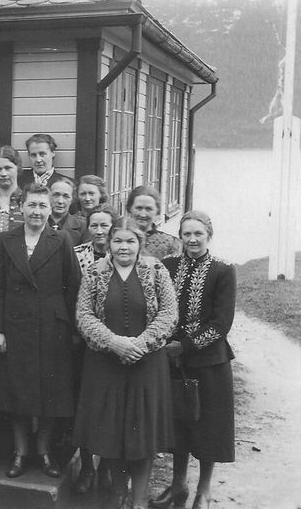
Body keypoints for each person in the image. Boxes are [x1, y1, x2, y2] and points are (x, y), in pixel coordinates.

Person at [74, 217, 177, 509]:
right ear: (109, 242)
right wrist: (114, 342)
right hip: (106, 365)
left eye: (130, 241)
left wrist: (140, 344)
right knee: (111, 432)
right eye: (118, 240)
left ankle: (140, 500)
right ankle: (119, 495)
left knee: (141, 434)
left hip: (147, 365)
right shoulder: (95, 272)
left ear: (140, 243)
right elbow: (84, 315)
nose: (124, 246)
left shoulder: (156, 270)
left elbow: (169, 314)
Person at [0, 183, 82, 479]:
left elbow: (74, 287)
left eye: (43, 206)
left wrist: (74, 332)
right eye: (32, 205)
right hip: (16, 329)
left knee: (50, 395)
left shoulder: (62, 239)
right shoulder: (5, 240)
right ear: (21, 207)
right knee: (17, 392)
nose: (38, 212)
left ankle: (43, 452)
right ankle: (20, 452)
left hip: (52, 329)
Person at [152, 211, 236, 509]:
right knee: (178, 426)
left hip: (210, 361)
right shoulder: (168, 265)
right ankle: (177, 486)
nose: (192, 239)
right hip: (173, 361)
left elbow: (221, 323)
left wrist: (184, 345)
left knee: (209, 426)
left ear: (208, 234)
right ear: (180, 236)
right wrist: (166, 344)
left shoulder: (223, 271)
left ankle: (203, 490)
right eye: (186, 234)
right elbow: (159, 308)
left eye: (198, 233)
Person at [71, 203, 118, 495]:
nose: (100, 231)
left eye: (105, 226)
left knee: (112, 407)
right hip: (82, 341)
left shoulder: (124, 252)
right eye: (95, 225)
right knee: (86, 405)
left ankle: (108, 469)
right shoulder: (77, 255)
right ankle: (87, 466)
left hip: (115, 342)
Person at [127, 185, 182, 260]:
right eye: (139, 208)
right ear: (130, 209)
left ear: (157, 211)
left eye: (148, 209)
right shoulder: (118, 239)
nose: (143, 214)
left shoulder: (170, 244)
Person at [48, 177, 86, 245]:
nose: (60, 201)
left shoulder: (82, 227)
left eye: (66, 196)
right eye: (56, 195)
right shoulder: (37, 223)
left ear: (72, 199)